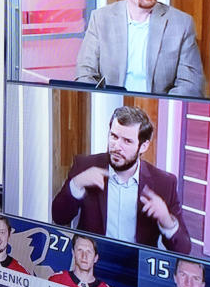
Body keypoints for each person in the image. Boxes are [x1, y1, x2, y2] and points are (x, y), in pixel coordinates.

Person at [51, 106, 191, 253]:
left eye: (127, 141)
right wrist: (76, 184)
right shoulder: (85, 166)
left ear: (143, 146)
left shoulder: (164, 183)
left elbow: (183, 250)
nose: (117, 146)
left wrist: (166, 220)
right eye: (114, 136)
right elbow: (59, 217)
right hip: (92, 265)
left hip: (135, 269)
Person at [75, 0, 203, 96]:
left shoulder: (181, 24)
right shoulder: (100, 19)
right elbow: (84, 73)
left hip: (157, 110)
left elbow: (190, 85)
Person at [48, 234, 121, 287]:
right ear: (73, 253)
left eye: (89, 252)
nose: (84, 256)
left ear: (95, 258)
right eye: (80, 250)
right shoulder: (56, 281)